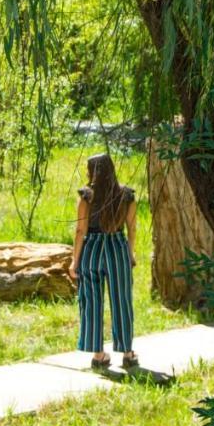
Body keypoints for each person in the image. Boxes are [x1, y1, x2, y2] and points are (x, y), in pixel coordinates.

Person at [69, 152, 138, 368]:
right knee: (122, 299)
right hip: (116, 247)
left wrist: (74, 261)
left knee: (90, 300)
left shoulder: (86, 196)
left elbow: (80, 230)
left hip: (92, 248)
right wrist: (130, 252)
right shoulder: (126, 195)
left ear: (93, 172)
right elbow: (132, 228)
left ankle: (98, 355)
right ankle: (127, 353)